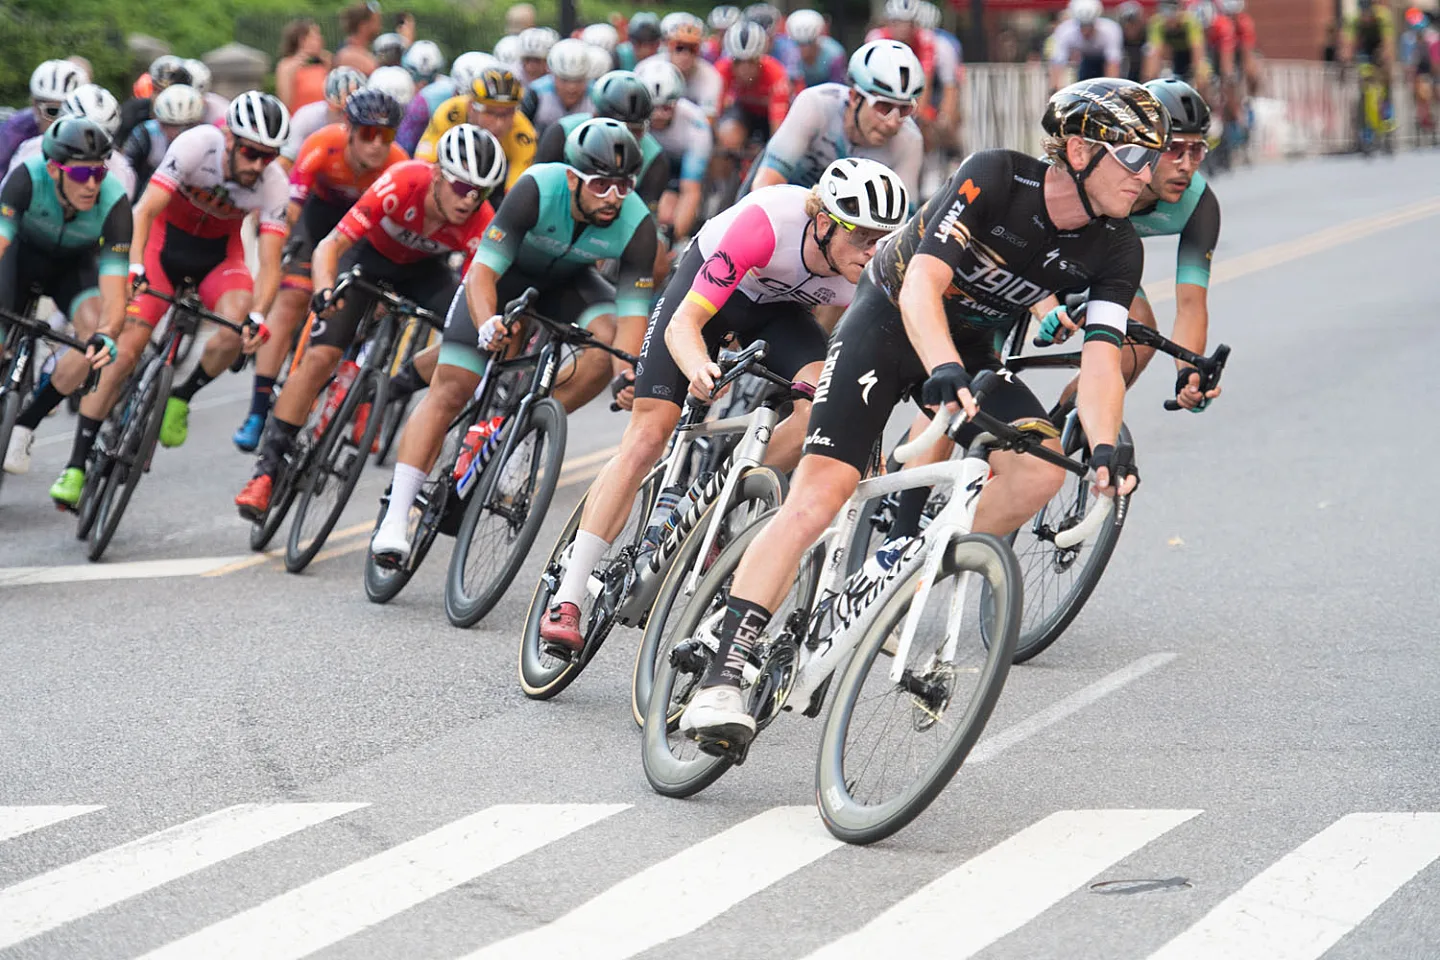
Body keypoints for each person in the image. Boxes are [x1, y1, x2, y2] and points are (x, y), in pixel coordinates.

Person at [675, 78, 1163, 747]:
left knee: (1041, 470)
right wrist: (943, 371)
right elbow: (924, 285)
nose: (1149, 174)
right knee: (822, 494)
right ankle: (721, 676)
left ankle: (904, 564)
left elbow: (1102, 357)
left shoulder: (1118, 247)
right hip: (890, 320)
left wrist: (1104, 450)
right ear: (1079, 149)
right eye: (1136, 156)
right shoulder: (994, 177)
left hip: (971, 349)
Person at [536, 158, 908, 652]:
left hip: (781, 314)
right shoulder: (766, 224)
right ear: (823, 223)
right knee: (650, 434)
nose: (872, 249)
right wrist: (699, 368)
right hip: (708, 298)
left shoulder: (880, 269)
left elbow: (867, 361)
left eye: (883, 237)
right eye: (861, 236)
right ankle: (569, 594)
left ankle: (722, 491)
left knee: (819, 409)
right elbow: (683, 325)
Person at [369, 119, 657, 567]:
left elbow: (633, 314)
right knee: (452, 387)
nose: (613, 198)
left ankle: (524, 429)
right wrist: (487, 324)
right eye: (601, 185)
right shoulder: (537, 189)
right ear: (572, 177)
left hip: (569, 284)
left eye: (623, 186)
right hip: (504, 276)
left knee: (607, 345)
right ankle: (397, 513)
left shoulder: (637, 222)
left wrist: (627, 372)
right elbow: (483, 271)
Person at [233, 124, 502, 518]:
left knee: (469, 336)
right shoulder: (402, 181)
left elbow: (472, 298)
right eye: (462, 188)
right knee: (321, 357)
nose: (469, 201)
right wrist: (325, 291)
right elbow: (332, 245)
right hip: (366, 260)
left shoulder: (480, 219)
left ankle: (395, 386)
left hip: (425, 274)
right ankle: (266, 470)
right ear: (439, 175)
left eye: (482, 193)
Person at [232, 89, 409, 452]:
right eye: (367, 134)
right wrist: (286, 252)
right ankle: (257, 408)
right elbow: (292, 209)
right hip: (315, 220)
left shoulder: (397, 163)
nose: (377, 145)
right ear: (349, 129)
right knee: (291, 299)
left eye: (386, 136)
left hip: (361, 235)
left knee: (361, 303)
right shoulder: (322, 145)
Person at [113, 92, 288, 453]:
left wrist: (258, 315)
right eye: (251, 153)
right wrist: (134, 267)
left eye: (268, 156)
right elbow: (144, 211)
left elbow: (272, 263)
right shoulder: (196, 145)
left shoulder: (273, 183)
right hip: (163, 247)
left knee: (235, 329)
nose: (258, 165)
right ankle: (81, 460)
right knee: (129, 342)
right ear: (230, 139)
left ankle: (181, 396)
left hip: (218, 260)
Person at [1039, 78, 1221, 413]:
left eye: (1197, 150)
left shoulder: (1198, 203)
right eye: (1173, 149)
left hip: (1102, 261)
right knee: (979, 374)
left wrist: (1189, 372)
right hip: (1035, 257)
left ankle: (1064, 426)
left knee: (1140, 330)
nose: (1187, 165)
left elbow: (1192, 305)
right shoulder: (1090, 170)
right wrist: (1044, 303)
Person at [0, 118, 129, 498]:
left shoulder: (114, 202)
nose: (92, 183)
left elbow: (115, 289)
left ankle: (25, 424)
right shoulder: (26, 177)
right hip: (19, 260)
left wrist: (108, 333)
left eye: (99, 171)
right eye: (82, 173)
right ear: (55, 169)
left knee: (95, 338)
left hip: (72, 268)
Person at [742, 39, 923, 208]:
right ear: (854, 97)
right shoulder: (816, 105)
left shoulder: (909, 141)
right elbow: (764, 187)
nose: (893, 122)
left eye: (905, 109)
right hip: (787, 203)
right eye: (883, 106)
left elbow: (904, 225)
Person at [532, 71, 669, 210]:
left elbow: (643, 213)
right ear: (595, 116)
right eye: (615, 126)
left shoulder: (656, 160)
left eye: (636, 130)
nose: (625, 136)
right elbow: (538, 188)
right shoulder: (562, 133)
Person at [418, 64, 536, 196]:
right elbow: (422, 167)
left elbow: (515, 196)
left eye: (508, 113)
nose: (499, 123)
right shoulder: (450, 112)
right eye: (490, 112)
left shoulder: (524, 132)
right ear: (471, 107)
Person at [6, 84, 134, 199]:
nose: (90, 147)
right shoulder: (33, 151)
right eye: (80, 136)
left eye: (101, 140)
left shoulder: (120, 170)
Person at [635, 60, 712, 244]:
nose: (659, 114)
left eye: (667, 107)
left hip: (678, 171)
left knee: (665, 217)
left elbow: (690, 191)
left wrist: (671, 238)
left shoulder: (696, 124)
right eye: (653, 108)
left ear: (678, 101)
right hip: (642, 167)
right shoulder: (632, 115)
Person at [868, 0, 959, 153]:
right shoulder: (876, 38)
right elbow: (871, 81)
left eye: (908, 24)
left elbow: (926, 82)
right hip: (887, 83)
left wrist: (920, 116)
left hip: (922, 84)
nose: (903, 30)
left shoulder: (927, 40)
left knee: (929, 120)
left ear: (915, 25)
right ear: (888, 23)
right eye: (897, 23)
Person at [715, 21, 792, 160]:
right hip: (743, 114)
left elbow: (778, 128)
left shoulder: (776, 73)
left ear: (760, 58)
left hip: (770, 117)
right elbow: (715, 114)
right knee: (726, 137)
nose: (744, 69)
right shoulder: (721, 70)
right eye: (738, 62)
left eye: (751, 61)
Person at [397, 51, 493, 155]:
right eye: (463, 97)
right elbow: (405, 150)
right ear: (456, 90)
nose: (471, 108)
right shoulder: (426, 102)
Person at [121, 84, 206, 201]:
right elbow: (125, 171)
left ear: (199, 123)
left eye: (187, 126)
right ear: (158, 122)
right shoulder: (145, 134)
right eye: (170, 125)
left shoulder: (207, 138)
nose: (177, 133)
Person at [0, 61, 87, 174]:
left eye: (72, 113)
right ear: (35, 107)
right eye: (53, 111)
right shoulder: (13, 131)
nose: (62, 121)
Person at [641, 14, 724, 118]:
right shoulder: (646, 68)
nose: (686, 55)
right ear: (669, 47)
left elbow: (707, 122)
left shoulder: (711, 76)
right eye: (679, 48)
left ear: (699, 51)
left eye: (692, 49)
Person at [282, 66, 368, 166]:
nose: (344, 118)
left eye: (352, 112)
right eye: (339, 111)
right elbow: (287, 160)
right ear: (326, 101)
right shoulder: (307, 117)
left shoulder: (371, 118)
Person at [520, 38, 593, 138]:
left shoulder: (597, 96)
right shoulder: (536, 93)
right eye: (564, 80)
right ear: (553, 76)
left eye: (578, 80)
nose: (571, 88)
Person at [1049, 0, 1123, 89]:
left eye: (1089, 26)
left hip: (1102, 61)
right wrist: (1055, 90)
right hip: (1084, 63)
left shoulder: (1110, 30)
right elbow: (1058, 63)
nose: (1086, 30)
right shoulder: (1064, 31)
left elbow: (1112, 64)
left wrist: (1111, 91)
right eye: (1082, 26)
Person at [1144, 0, 1210, 84]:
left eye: (1173, 10)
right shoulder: (1156, 24)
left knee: (1202, 77)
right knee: (1150, 74)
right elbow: (1154, 54)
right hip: (1173, 57)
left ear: (1180, 10)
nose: (1169, 16)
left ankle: (1203, 96)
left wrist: (1197, 74)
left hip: (1190, 54)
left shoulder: (1191, 22)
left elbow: (1197, 52)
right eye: (1164, 10)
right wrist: (1150, 79)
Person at [780, 9, 847, 89]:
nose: (804, 49)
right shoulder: (791, 54)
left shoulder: (835, 55)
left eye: (809, 43)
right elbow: (790, 86)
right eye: (799, 44)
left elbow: (838, 87)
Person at [277, 18, 332, 113]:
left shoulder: (324, 63)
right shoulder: (286, 65)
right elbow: (285, 103)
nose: (320, 39)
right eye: (315, 37)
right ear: (301, 40)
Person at [336, 2, 383, 75]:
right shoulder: (348, 55)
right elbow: (378, 73)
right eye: (375, 21)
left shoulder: (363, 52)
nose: (379, 26)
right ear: (363, 26)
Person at [1116, 2, 1149, 81]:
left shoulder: (1148, 34)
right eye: (1127, 24)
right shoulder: (1117, 35)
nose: (1131, 27)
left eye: (1134, 23)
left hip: (1142, 71)